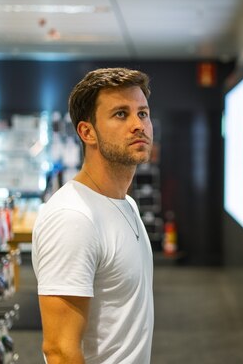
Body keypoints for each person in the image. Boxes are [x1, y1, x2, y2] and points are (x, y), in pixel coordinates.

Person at [32, 68, 154, 363]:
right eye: (121, 114)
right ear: (87, 132)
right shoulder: (73, 218)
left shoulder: (125, 203)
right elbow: (60, 350)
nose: (138, 125)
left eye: (143, 113)